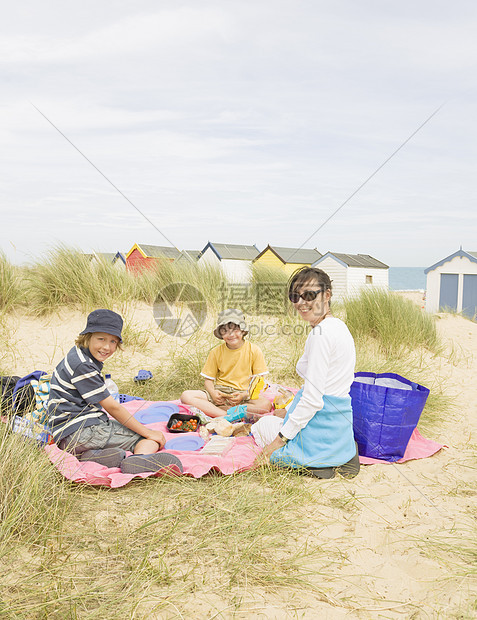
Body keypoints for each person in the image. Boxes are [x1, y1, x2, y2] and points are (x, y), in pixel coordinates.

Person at [251, 267, 359, 479]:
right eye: (295, 296)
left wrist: (276, 444)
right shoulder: (339, 326)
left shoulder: (320, 334)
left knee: (261, 426)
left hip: (320, 425)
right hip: (339, 426)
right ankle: (338, 453)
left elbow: (312, 400)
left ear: (327, 295)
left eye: (309, 295)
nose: (301, 302)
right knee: (276, 418)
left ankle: (315, 462)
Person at [47, 309, 183, 474]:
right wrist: (148, 432)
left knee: (122, 429)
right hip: (84, 432)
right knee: (147, 439)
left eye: (113, 341)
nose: (106, 347)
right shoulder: (83, 366)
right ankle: (138, 461)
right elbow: (113, 407)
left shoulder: (77, 355)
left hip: (65, 436)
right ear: (88, 336)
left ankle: (90, 456)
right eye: (101, 339)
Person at [180, 309, 272, 418]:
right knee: (186, 396)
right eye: (225, 331)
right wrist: (213, 393)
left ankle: (218, 410)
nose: (231, 334)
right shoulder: (216, 352)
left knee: (265, 405)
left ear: (243, 330)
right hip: (221, 391)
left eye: (235, 329)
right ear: (221, 334)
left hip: (243, 394)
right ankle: (225, 414)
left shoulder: (254, 350)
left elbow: (259, 381)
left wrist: (244, 395)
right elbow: (208, 380)